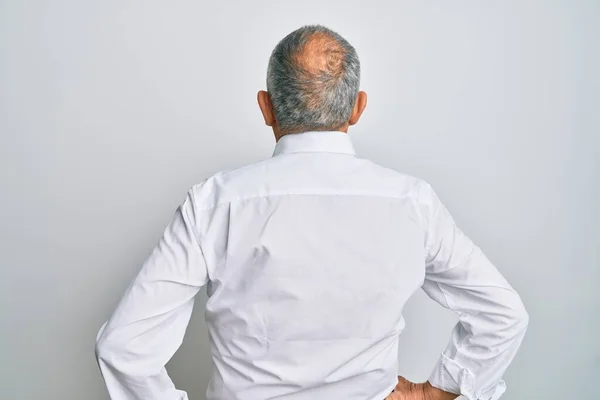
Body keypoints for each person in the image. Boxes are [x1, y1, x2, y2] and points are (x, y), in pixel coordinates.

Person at [95, 25, 528, 400]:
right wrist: (436, 392)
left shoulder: (213, 203)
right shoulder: (411, 201)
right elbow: (504, 313)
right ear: (358, 107)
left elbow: (124, 347)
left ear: (265, 107)